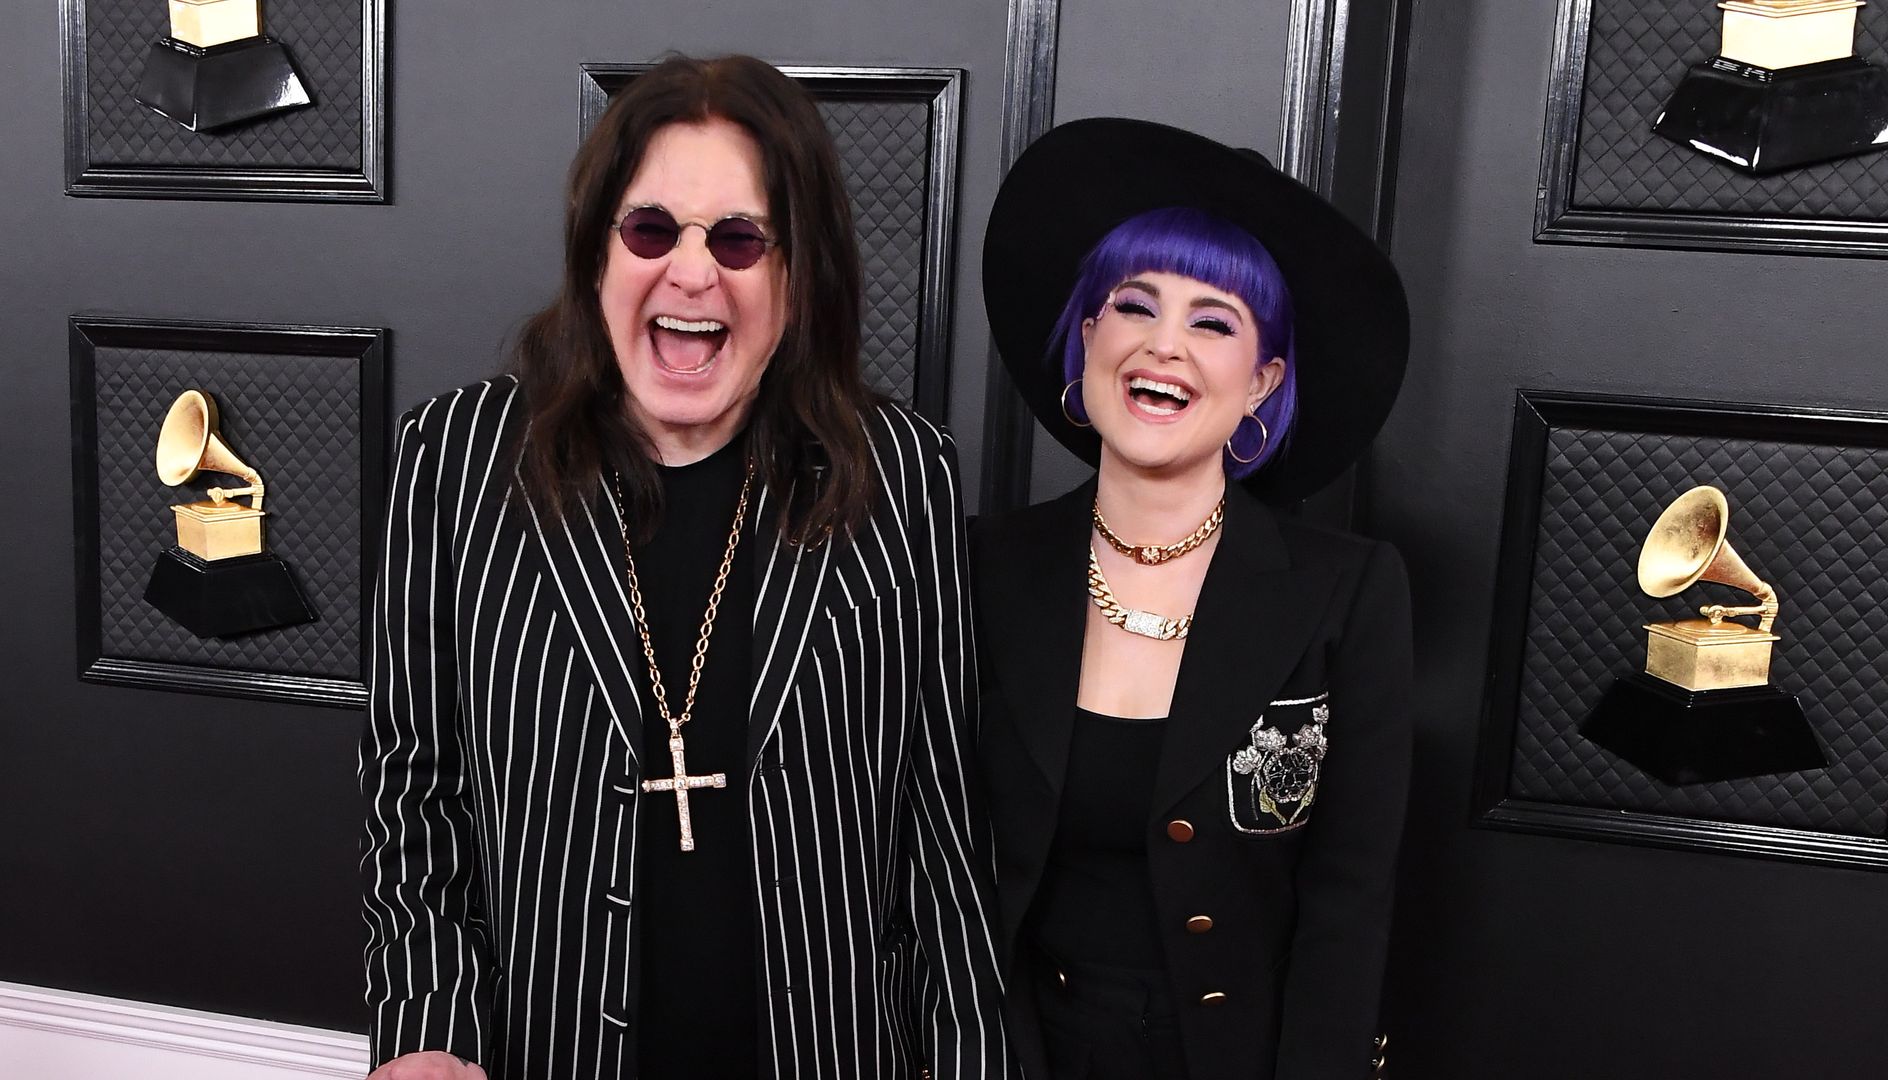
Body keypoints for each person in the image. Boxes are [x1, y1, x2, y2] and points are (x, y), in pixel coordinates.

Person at [360, 54, 1010, 1080]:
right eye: (651, 229)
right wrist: (425, 1028)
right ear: (597, 257)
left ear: (798, 280)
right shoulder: (453, 461)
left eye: (742, 239)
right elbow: (414, 787)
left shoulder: (898, 475)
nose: (692, 271)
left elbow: (943, 831)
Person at [970, 118, 1414, 1080]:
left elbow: (1351, 898)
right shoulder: (984, 569)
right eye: (1134, 307)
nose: (1163, 346)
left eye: (1212, 322)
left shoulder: (1349, 591)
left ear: (1263, 381)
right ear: (1088, 340)